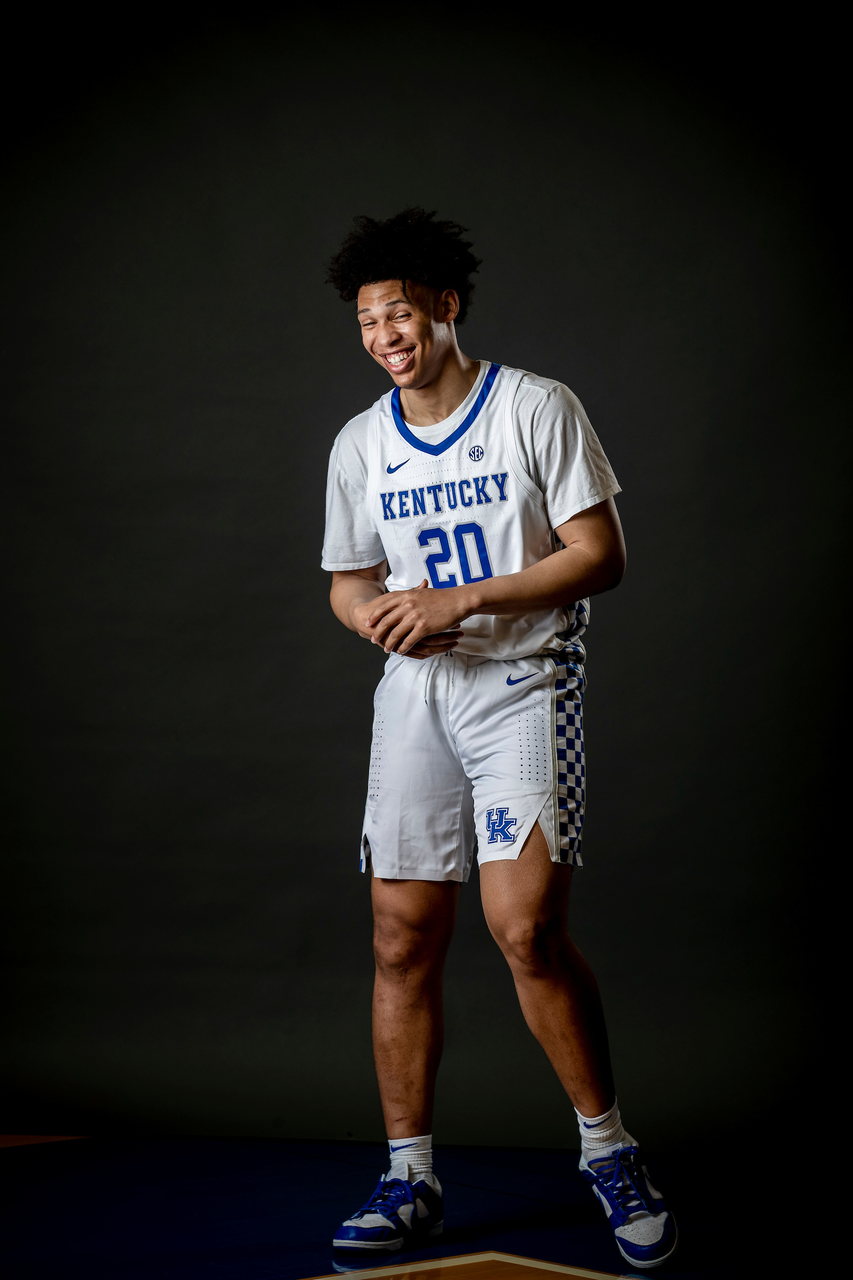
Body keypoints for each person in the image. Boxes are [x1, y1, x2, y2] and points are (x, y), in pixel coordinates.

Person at [320, 208, 677, 1271]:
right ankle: (409, 1173)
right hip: (416, 692)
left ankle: (610, 1152)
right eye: (367, 320)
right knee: (400, 935)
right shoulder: (360, 441)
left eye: (400, 312)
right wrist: (379, 615)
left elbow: (598, 554)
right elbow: (346, 583)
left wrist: (457, 599)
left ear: (446, 306)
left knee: (524, 930)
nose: (385, 333)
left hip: (523, 680)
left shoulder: (533, 405)